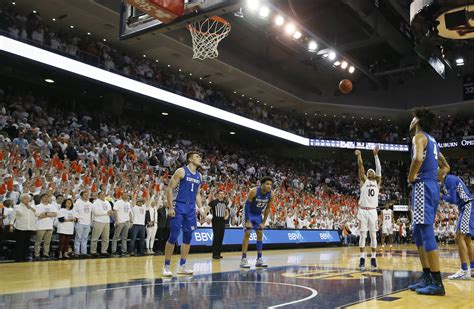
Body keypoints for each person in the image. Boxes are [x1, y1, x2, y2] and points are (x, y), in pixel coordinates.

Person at [406, 107, 450, 296]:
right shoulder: (433, 141)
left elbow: (417, 158)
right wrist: (436, 177)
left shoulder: (419, 137)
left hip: (423, 185)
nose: (411, 121)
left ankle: (437, 281)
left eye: (413, 118)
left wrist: (411, 176)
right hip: (430, 185)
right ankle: (427, 276)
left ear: (417, 121)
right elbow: (446, 166)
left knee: (425, 230)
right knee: (417, 231)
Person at [162, 151, 203, 277]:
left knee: (188, 237)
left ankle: (182, 266)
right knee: (173, 236)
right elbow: (169, 188)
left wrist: (200, 208)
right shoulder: (181, 171)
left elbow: (197, 194)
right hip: (179, 205)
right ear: (190, 159)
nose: (199, 158)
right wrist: (170, 207)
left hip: (191, 208)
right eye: (197, 157)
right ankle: (166, 266)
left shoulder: (199, 176)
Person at [440, 173, 474, 280]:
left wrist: (441, 196)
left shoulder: (449, 179)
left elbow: (453, 199)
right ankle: (472, 268)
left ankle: (464, 270)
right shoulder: (446, 181)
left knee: (459, 237)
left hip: (467, 205)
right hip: (466, 206)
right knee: (467, 239)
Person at [354, 147, 382, 271]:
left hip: (372, 211)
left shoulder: (377, 183)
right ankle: (362, 258)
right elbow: (361, 167)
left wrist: (376, 156)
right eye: (369, 171)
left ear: (374, 174)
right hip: (363, 211)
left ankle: (374, 258)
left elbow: (379, 169)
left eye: (372, 171)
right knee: (362, 236)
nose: (370, 172)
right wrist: (359, 156)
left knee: (374, 236)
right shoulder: (364, 181)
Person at [240, 176, 275, 269]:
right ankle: (243, 259)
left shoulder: (271, 194)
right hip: (248, 213)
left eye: (270, 185)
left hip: (258, 215)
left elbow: (267, 209)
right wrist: (247, 220)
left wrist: (263, 222)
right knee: (247, 233)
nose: (269, 186)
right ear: (262, 184)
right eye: (267, 184)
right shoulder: (254, 191)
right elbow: (247, 206)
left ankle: (259, 259)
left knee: (260, 233)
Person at [9, 194, 36, 261]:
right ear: (21, 199)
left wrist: (29, 206)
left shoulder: (32, 207)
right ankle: (18, 257)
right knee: (20, 244)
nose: (26, 199)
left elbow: (37, 213)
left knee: (27, 243)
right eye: (25, 198)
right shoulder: (17, 207)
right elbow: (12, 218)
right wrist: (11, 226)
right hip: (20, 227)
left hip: (29, 227)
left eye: (28, 198)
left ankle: (25, 256)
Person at [34, 194, 57, 260]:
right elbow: (39, 216)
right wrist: (49, 214)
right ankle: (37, 254)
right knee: (38, 242)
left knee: (47, 242)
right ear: (41, 198)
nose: (46, 198)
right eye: (44, 197)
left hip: (49, 226)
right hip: (40, 226)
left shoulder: (52, 206)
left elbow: (55, 214)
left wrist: (45, 214)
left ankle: (45, 253)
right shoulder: (38, 206)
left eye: (47, 197)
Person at [90, 191, 113, 257]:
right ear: (98, 195)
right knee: (95, 237)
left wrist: (108, 212)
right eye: (101, 194)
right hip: (98, 221)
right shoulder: (95, 202)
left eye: (104, 194)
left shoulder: (107, 202)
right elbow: (96, 212)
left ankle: (104, 251)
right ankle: (93, 251)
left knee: (106, 238)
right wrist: (106, 213)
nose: (103, 195)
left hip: (107, 221)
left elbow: (110, 211)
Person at [209, 190, 229, 259]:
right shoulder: (214, 202)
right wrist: (205, 217)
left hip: (222, 221)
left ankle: (219, 253)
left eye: (223, 194)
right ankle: (215, 254)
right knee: (216, 237)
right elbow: (207, 209)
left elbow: (226, 211)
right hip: (216, 221)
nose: (222, 195)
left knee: (221, 237)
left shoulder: (225, 203)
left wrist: (226, 216)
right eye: (220, 194)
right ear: (217, 195)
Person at [111, 192, 132, 257]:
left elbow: (129, 212)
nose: (126, 196)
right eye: (125, 195)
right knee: (116, 237)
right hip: (120, 221)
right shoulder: (118, 202)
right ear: (122, 195)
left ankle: (124, 251)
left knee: (124, 237)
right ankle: (113, 251)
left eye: (127, 195)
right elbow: (115, 211)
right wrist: (116, 220)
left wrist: (130, 220)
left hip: (126, 221)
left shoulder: (128, 203)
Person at [73, 191, 93, 257]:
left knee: (85, 238)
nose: (86, 196)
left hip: (87, 223)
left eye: (87, 195)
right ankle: (77, 252)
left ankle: (84, 252)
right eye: (85, 195)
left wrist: (91, 222)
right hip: (80, 222)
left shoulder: (90, 204)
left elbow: (91, 213)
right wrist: (76, 218)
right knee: (78, 238)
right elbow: (74, 211)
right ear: (81, 196)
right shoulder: (78, 202)